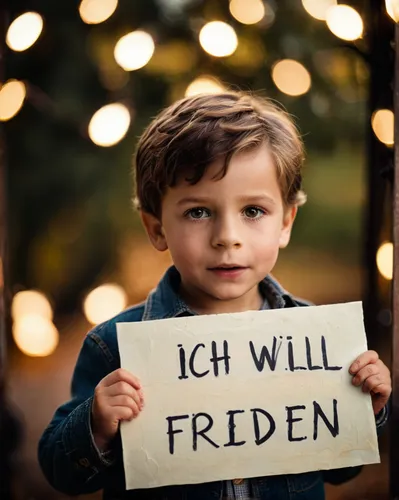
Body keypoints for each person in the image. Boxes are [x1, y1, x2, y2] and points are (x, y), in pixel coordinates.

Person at [38, 91, 391, 500]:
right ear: (156, 229)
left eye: (253, 211)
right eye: (198, 212)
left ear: (286, 222)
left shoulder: (318, 345)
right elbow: (59, 471)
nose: (227, 238)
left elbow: (340, 470)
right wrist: (96, 425)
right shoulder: (114, 346)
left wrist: (366, 410)